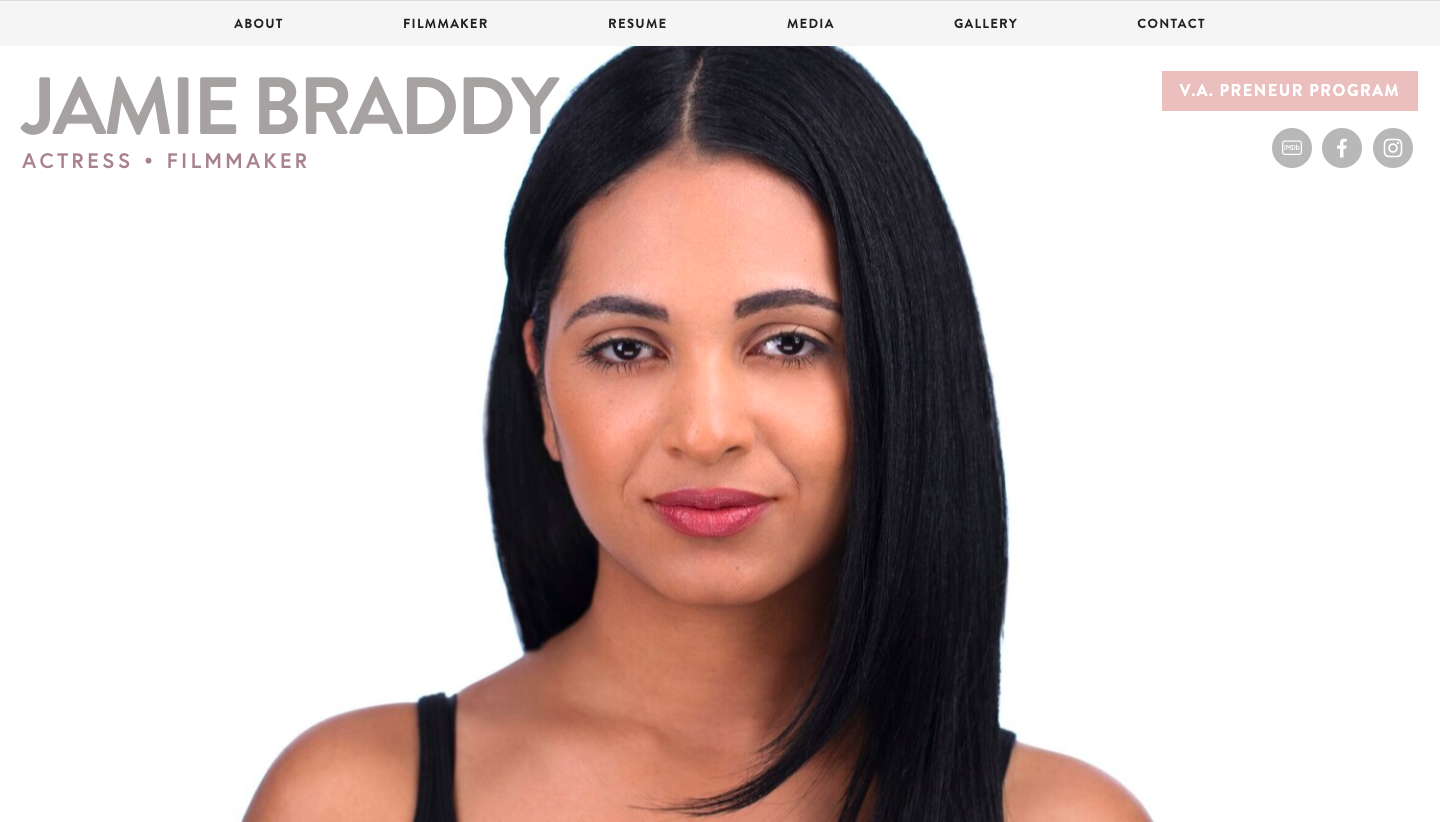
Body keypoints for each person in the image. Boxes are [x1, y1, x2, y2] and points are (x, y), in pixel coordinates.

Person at [243, 47, 1151, 822]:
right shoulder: (350, 799)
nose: (706, 431)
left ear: (900, 369)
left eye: (789, 343)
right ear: (541, 385)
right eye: (627, 348)